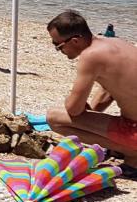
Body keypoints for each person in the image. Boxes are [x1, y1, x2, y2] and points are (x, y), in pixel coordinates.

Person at [45, 10, 137, 157]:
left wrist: (77, 105)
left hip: (133, 130)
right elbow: (109, 91)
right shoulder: (114, 42)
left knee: (54, 117)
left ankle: (131, 153)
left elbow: (74, 110)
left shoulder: (90, 56)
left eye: (58, 45)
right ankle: (122, 147)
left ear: (75, 40)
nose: (58, 50)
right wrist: (90, 113)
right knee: (103, 91)